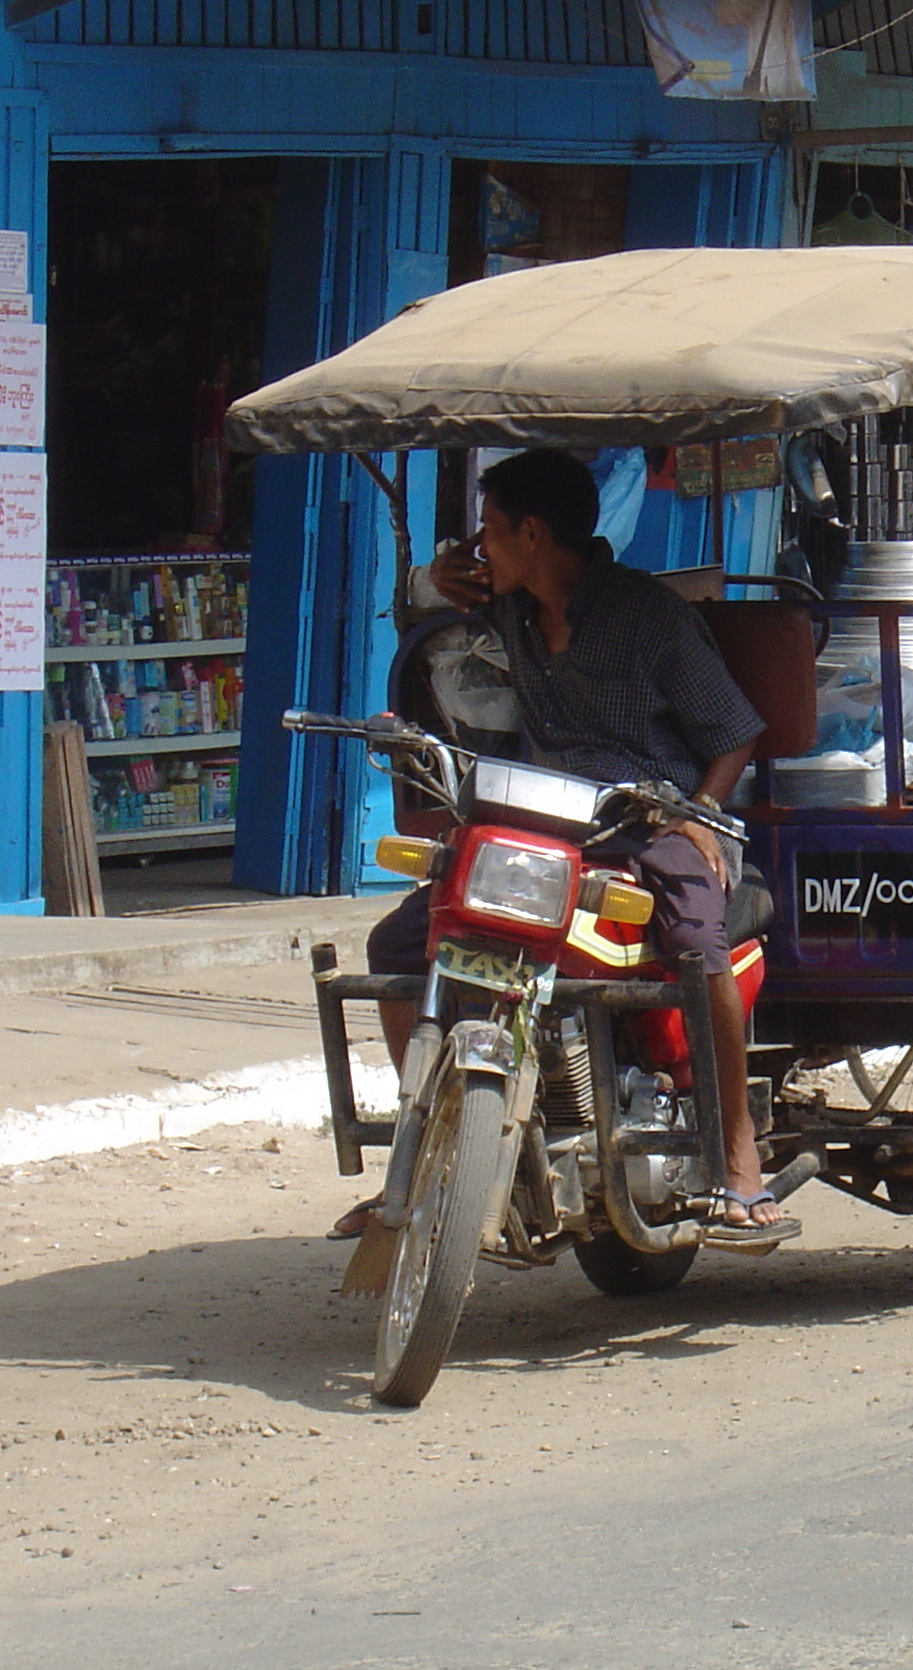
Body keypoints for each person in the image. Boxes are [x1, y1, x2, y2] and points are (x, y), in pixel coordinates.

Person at [334, 449, 792, 1243]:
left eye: (490, 531)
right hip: (548, 832)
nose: (481, 547)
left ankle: (738, 1162)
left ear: (534, 534)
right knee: (399, 942)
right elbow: (424, 607)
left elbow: (736, 731)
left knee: (695, 945)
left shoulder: (649, 618)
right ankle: (424, 1161)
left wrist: (701, 811)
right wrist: (438, 577)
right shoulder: (508, 610)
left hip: (655, 823)